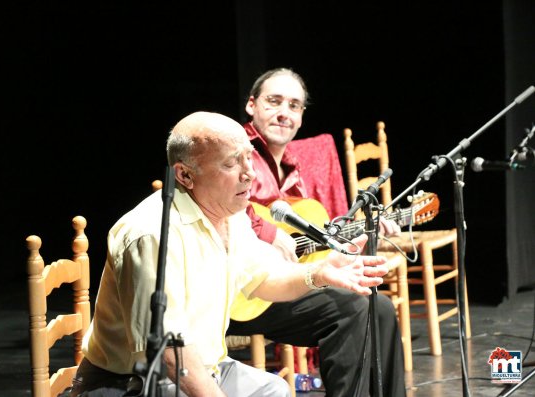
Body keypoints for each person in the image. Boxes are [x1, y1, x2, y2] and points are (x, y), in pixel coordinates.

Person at [70, 111, 389, 397]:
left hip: (202, 367)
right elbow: (168, 351)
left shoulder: (230, 215)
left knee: (274, 389)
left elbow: (263, 280)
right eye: (230, 163)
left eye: (249, 158)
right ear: (185, 175)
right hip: (130, 382)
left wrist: (317, 273)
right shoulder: (152, 234)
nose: (249, 173)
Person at [226, 68, 407, 397]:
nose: (285, 112)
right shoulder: (235, 148)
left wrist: (348, 241)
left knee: (377, 306)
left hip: (279, 286)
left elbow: (297, 248)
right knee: (354, 308)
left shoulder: (292, 171)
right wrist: (267, 230)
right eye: (274, 101)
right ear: (251, 105)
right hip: (237, 291)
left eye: (294, 105)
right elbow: (215, 203)